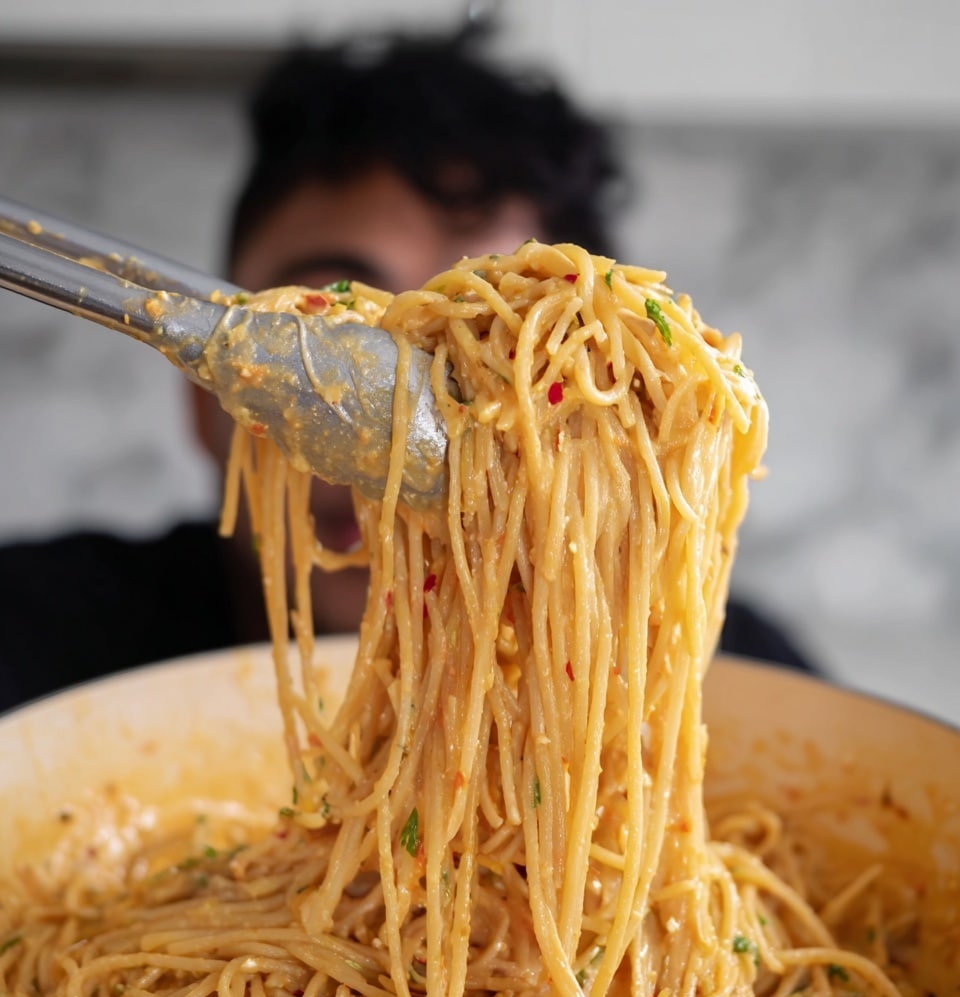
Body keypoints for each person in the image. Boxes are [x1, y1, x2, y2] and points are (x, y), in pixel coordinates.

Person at [0, 26, 812, 714]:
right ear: (203, 396)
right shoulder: (36, 637)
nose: (400, 423)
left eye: (504, 348)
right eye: (330, 326)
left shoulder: (733, 669)